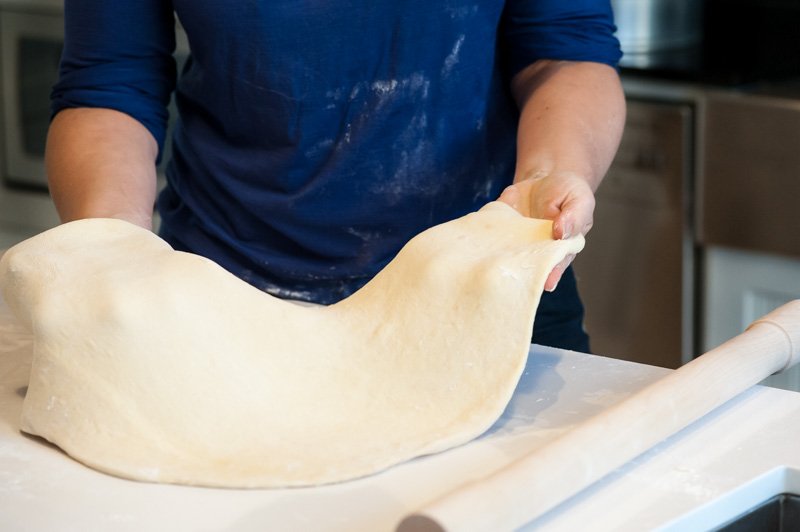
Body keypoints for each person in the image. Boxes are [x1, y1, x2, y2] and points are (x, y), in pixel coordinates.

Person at [45, 1, 625, 352]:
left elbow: (563, 52)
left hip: (486, 285)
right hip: (223, 293)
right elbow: (110, 82)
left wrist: (551, 175)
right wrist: (114, 246)